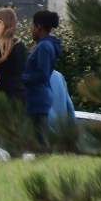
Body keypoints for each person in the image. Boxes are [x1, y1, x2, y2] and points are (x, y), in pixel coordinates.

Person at [0, 7, 28, 158]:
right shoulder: (19, 46)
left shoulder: (4, 48)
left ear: (4, 24)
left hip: (3, 101)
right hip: (16, 99)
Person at [23, 10, 63, 143]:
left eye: (32, 26)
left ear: (38, 27)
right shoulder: (43, 46)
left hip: (38, 100)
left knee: (40, 141)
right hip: (37, 99)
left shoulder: (44, 47)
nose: (31, 29)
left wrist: (21, 78)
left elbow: (42, 75)